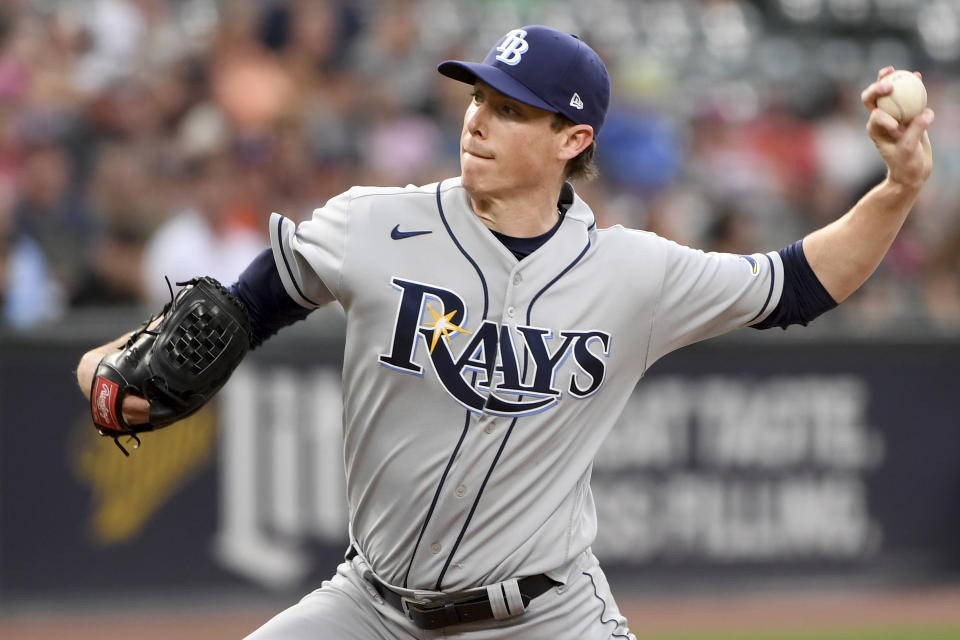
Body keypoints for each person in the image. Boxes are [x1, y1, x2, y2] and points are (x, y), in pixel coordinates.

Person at [76, 25, 933, 640]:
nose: (478, 120)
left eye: (512, 110)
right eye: (479, 97)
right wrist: (111, 369)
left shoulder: (630, 274)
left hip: (545, 616)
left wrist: (895, 190)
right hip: (370, 608)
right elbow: (237, 311)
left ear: (574, 138)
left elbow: (796, 285)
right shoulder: (376, 224)